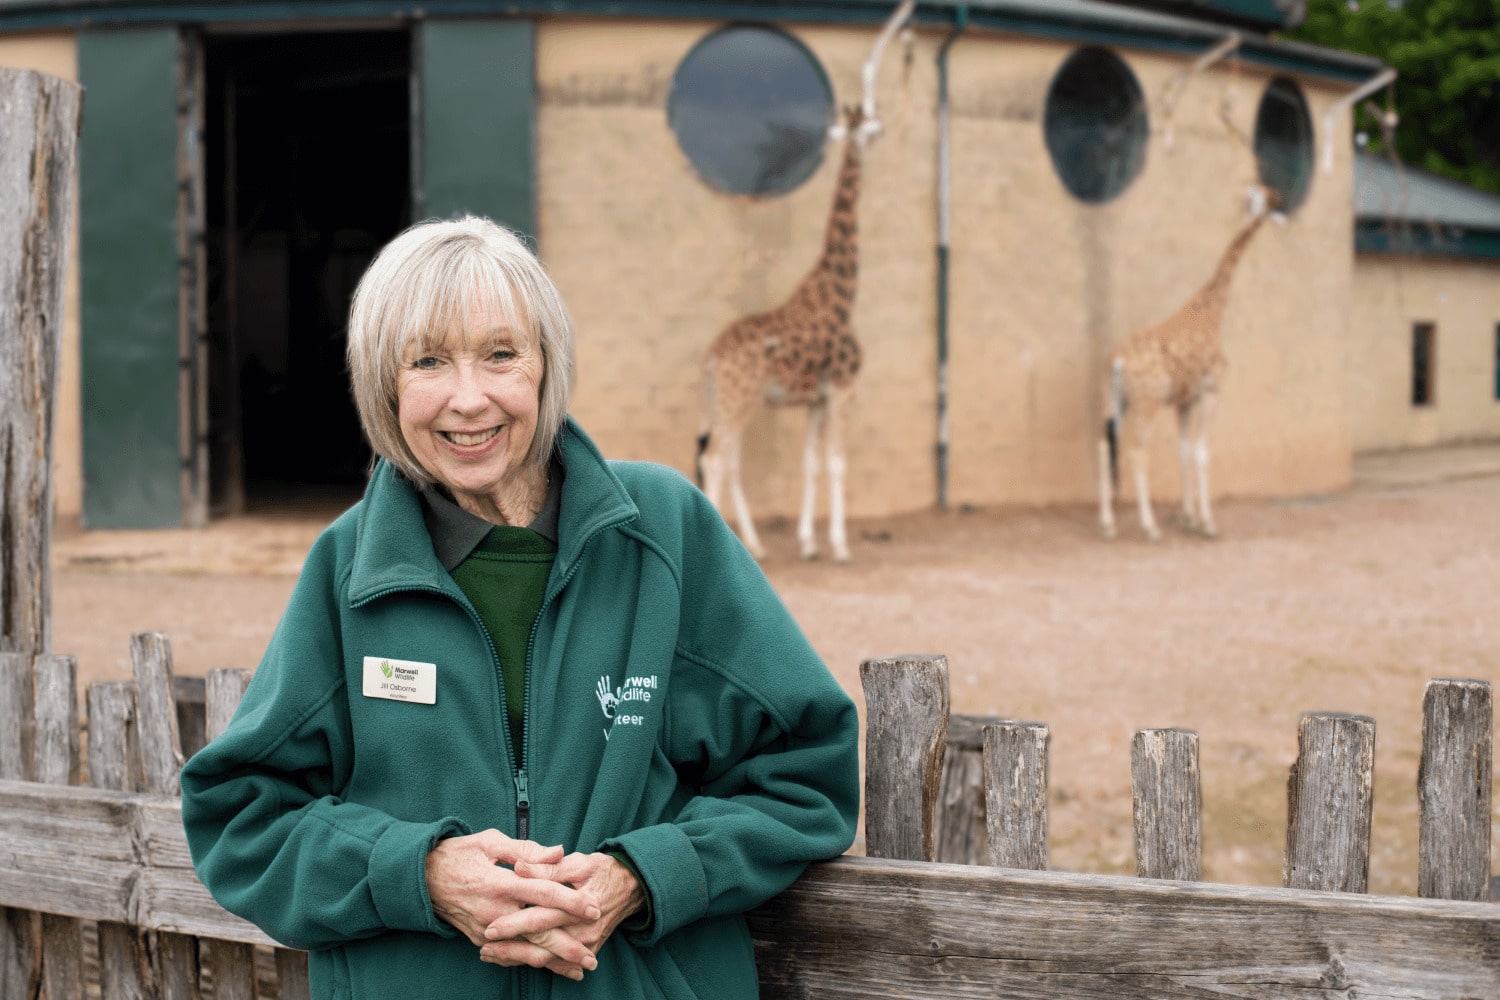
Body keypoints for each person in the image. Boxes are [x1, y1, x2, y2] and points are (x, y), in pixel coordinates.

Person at [180, 216, 861, 999]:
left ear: (545, 366)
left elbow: (805, 774)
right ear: (384, 384)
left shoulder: (663, 534)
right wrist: (422, 874)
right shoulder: (349, 569)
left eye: (501, 354)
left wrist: (643, 877)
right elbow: (242, 819)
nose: (469, 400)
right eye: (428, 360)